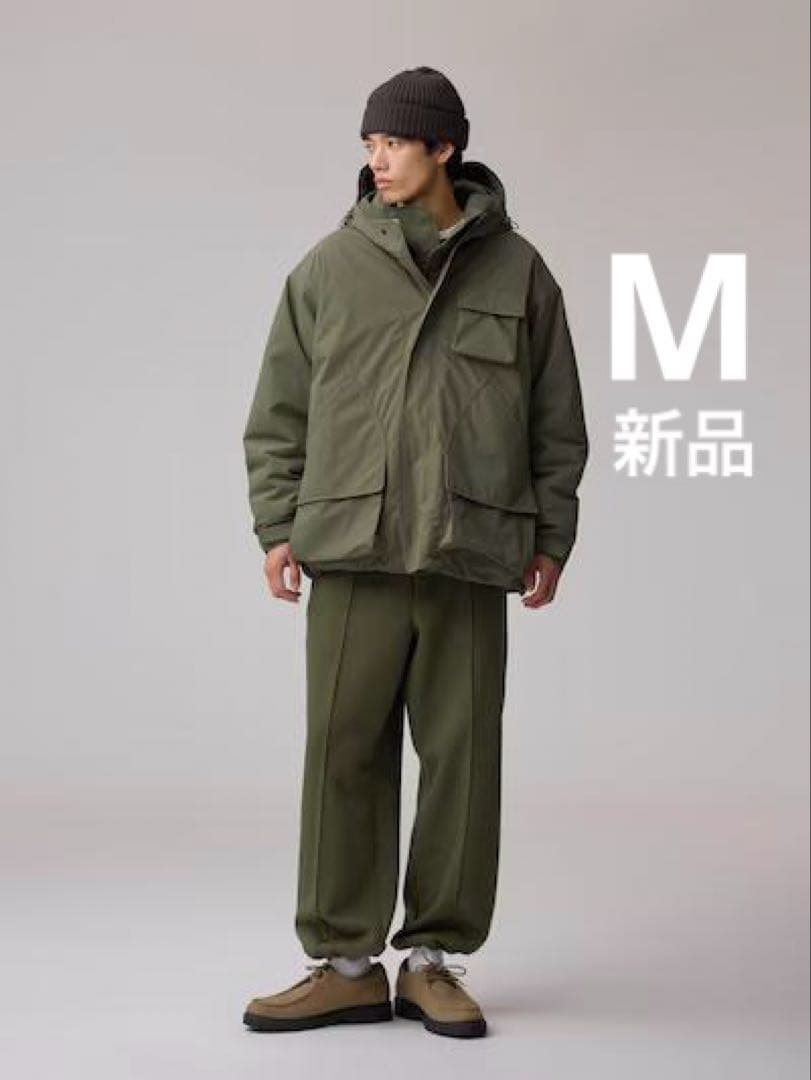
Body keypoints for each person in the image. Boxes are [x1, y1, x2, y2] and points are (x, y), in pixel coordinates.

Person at [241, 65, 589, 1039]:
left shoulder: (518, 272)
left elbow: (556, 420)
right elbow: (278, 413)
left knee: (462, 760)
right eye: (369, 144)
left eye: (394, 142)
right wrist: (277, 523)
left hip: (470, 549)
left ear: (444, 148)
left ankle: (433, 960)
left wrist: (551, 533)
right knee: (341, 753)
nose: (377, 160)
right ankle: (346, 964)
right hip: (352, 549)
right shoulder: (328, 269)